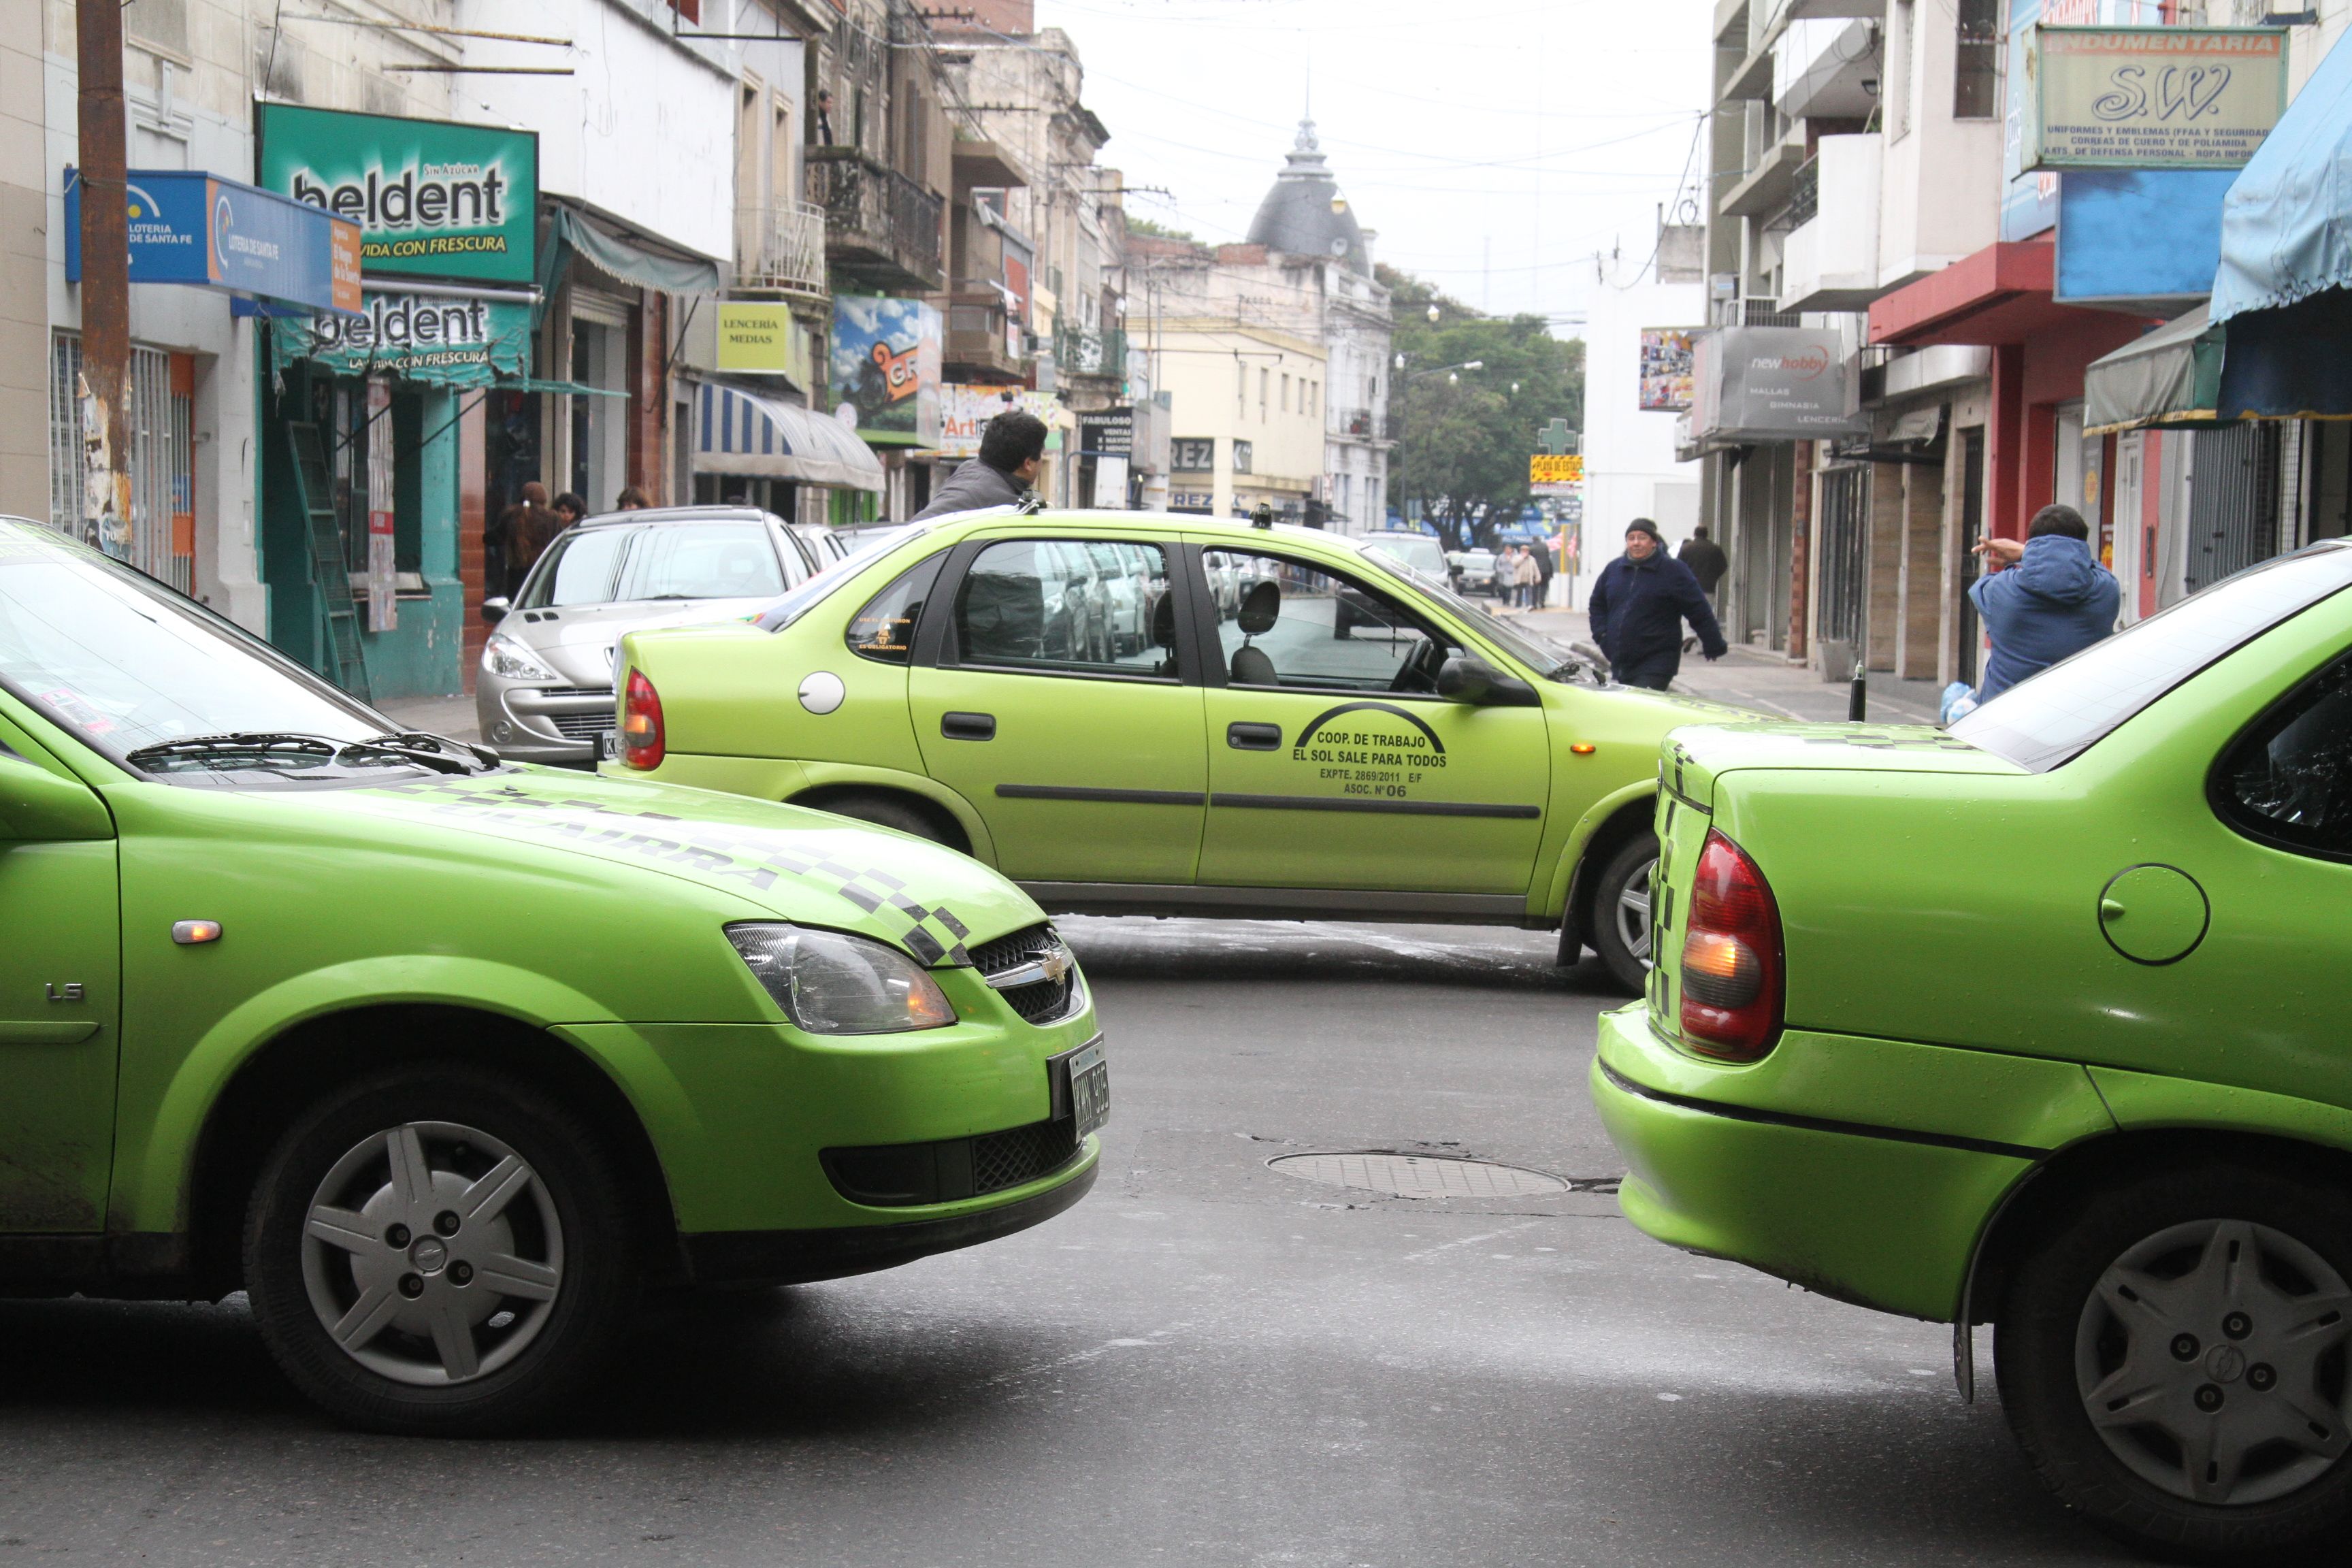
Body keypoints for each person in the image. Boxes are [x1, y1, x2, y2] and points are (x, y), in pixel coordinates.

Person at [1965, 503, 2120, 704]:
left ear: (2032, 544)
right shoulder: (2107, 592)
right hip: (2082, 725)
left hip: (2004, 723)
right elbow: (2089, 566)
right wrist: (2025, 551)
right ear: (2081, 548)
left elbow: (1977, 588)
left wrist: (2026, 553)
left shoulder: (1998, 591)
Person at [1586, 517, 1727, 689]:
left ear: (1654, 542)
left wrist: (1713, 642)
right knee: (1632, 710)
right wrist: (1601, 635)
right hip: (1622, 660)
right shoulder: (1614, 570)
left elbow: (1698, 609)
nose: (1636, 543)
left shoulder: (1673, 570)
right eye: (1631, 538)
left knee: (1641, 705)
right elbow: (1597, 604)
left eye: (1642, 537)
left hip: (1658, 659)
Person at [915, 409, 1046, 519]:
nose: (1041, 463)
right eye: (1041, 455)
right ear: (1028, 464)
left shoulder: (970, 468)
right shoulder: (1002, 505)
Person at [492, 482, 559, 600]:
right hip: (541, 570)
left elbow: (496, 538)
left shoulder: (511, 515)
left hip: (516, 572)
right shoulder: (551, 517)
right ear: (544, 499)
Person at [1678, 525, 1728, 600]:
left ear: (1694, 534)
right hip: (1708, 587)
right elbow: (1723, 566)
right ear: (1707, 534)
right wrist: (1713, 576)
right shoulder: (1715, 549)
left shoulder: (1685, 548)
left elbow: (1678, 567)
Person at [1512, 543, 1540, 608]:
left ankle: (1529, 605)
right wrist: (1522, 558)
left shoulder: (1532, 559)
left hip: (1528, 579)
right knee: (1519, 593)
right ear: (1521, 551)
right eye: (1524, 551)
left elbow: (1536, 569)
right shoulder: (1517, 557)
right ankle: (1518, 605)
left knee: (1529, 592)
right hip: (1519, 579)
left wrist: (1538, 577)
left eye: (1527, 551)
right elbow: (1515, 564)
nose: (1526, 552)